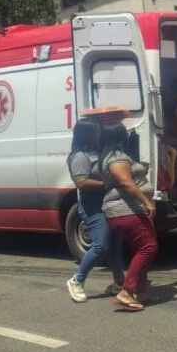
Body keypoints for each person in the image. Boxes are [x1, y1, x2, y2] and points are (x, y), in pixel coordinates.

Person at [66, 120, 126, 303]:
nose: (98, 135)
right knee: (100, 246)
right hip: (92, 206)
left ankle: (120, 283)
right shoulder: (79, 156)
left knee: (114, 245)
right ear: (86, 135)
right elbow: (81, 183)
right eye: (95, 132)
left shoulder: (96, 153)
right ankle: (76, 280)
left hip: (107, 203)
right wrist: (108, 184)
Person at [100, 123, 158, 312]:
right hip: (125, 209)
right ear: (119, 136)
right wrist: (147, 202)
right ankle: (127, 290)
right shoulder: (116, 158)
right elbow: (126, 182)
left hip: (128, 209)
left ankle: (139, 289)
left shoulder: (114, 156)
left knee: (142, 248)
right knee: (148, 247)